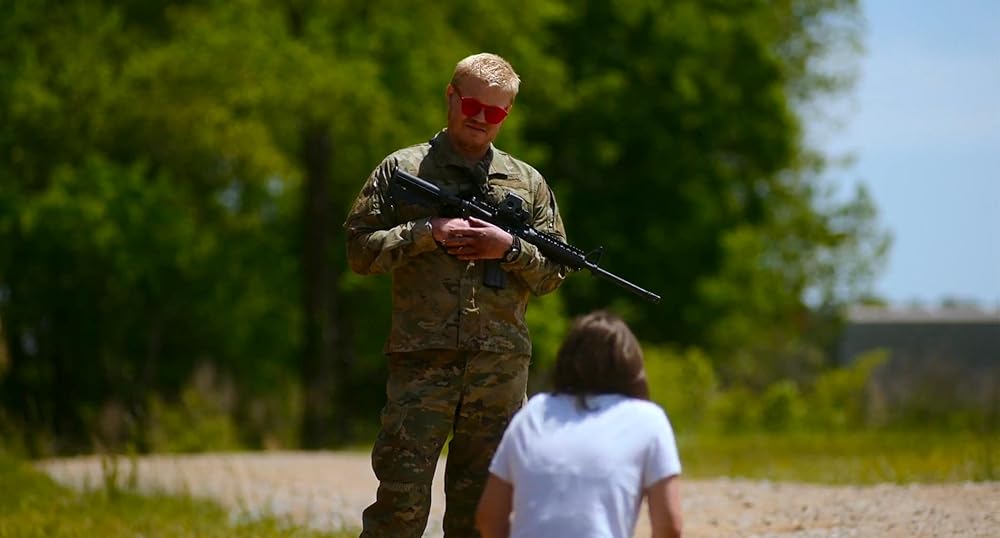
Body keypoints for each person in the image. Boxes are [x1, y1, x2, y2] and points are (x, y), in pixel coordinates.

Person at [344, 52, 569, 538]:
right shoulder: (400, 169)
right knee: (399, 506)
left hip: (499, 370)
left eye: (495, 113)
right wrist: (425, 231)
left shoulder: (528, 183)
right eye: (472, 104)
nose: (480, 119)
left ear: (507, 115)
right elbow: (359, 252)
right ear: (451, 96)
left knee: (484, 513)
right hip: (423, 362)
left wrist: (508, 248)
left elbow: (555, 273)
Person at [475, 311, 684, 538]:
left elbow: (488, 516)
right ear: (633, 367)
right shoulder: (648, 419)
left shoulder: (534, 413)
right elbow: (670, 526)